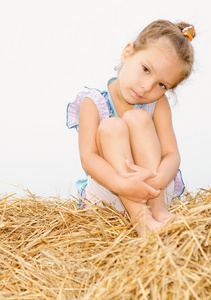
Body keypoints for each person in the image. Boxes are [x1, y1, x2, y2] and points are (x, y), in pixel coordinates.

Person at [66, 20, 195, 237]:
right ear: (128, 53)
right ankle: (142, 220)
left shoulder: (158, 103)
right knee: (113, 126)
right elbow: (88, 158)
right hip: (109, 194)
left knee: (138, 118)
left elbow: (172, 154)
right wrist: (122, 184)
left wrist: (156, 181)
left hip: (154, 192)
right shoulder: (92, 102)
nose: (147, 87)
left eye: (162, 85)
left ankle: (159, 212)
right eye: (145, 70)